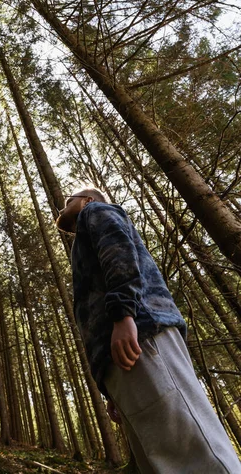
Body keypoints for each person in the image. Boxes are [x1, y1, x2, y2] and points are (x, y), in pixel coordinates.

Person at [56, 188, 241, 474]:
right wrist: (110, 389)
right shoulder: (83, 233)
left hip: (142, 333)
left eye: (69, 201)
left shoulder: (97, 212)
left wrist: (124, 313)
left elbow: (119, 252)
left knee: (191, 450)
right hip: (121, 351)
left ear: (87, 201)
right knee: (159, 460)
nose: (61, 207)